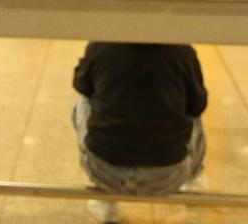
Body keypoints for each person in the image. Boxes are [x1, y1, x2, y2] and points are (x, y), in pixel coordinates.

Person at [72, 42, 208, 223]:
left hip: (104, 172)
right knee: (192, 109)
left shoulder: (102, 43)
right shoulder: (182, 51)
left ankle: (105, 201)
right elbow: (198, 105)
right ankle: (194, 181)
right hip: (169, 175)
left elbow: (81, 84)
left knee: (85, 97)